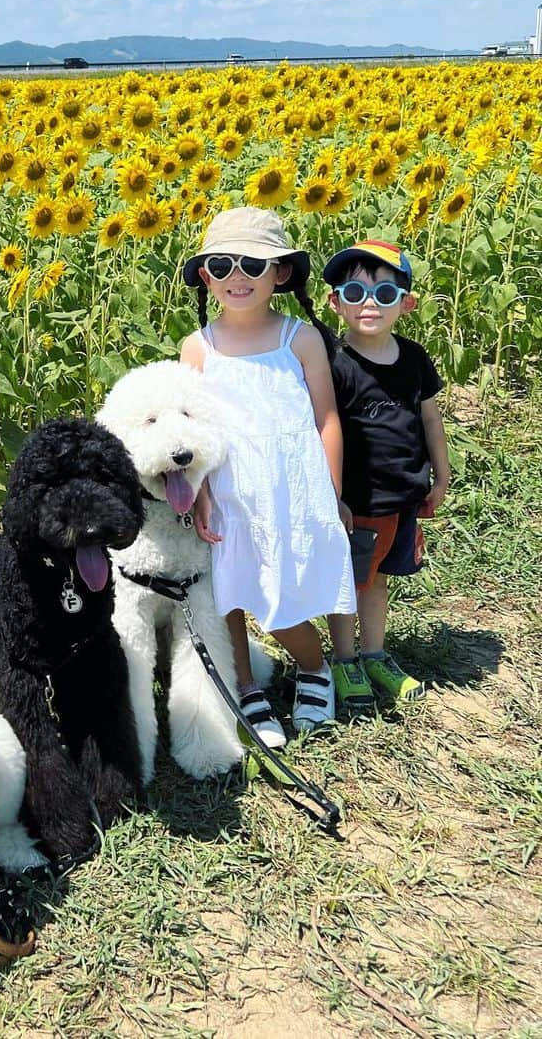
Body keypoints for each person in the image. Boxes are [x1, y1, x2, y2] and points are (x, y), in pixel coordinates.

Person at [179, 208, 355, 741]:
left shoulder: (299, 339)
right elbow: (192, 432)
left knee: (282, 594)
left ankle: (313, 667)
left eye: (252, 264)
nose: (237, 276)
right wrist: (201, 493)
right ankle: (246, 685)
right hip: (230, 491)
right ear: (206, 275)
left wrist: (332, 494)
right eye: (223, 263)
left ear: (280, 274)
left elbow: (327, 418)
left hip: (291, 489)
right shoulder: (197, 347)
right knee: (228, 593)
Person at [322, 240, 450, 713]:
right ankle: (343, 658)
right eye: (354, 292)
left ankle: (374, 653)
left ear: (407, 304)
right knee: (345, 582)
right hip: (356, 501)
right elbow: (323, 430)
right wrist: (330, 494)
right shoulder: (334, 364)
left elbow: (430, 418)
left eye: (384, 294)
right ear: (336, 303)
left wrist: (441, 471)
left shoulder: (414, 358)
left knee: (377, 580)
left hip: (402, 496)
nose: (368, 303)